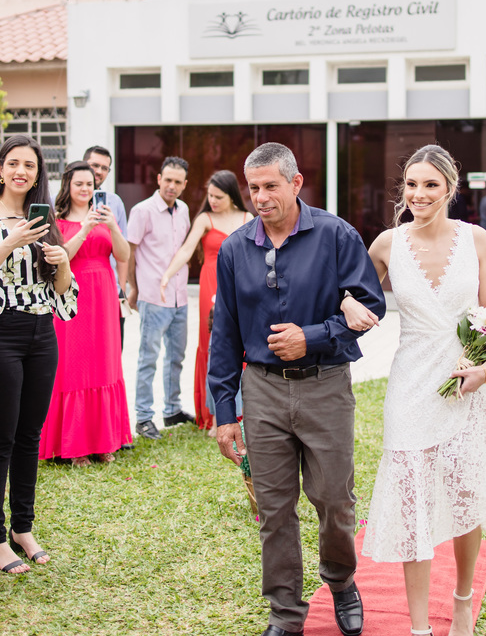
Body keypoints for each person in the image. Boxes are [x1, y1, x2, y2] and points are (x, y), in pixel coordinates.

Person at [209, 142, 385, 636]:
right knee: (274, 508)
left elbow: (371, 307)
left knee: (334, 499)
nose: (261, 197)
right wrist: (225, 412)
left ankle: (342, 582)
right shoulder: (234, 248)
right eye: (254, 187)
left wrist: (310, 337)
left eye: (271, 186)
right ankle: (285, 612)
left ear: (296, 183)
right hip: (260, 391)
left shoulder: (335, 235)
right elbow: (223, 333)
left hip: (326, 386)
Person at [345, 145, 486, 636]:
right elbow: (350, 290)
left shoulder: (478, 239)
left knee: (466, 493)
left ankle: (462, 600)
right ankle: (419, 627)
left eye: (430, 185)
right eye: (411, 184)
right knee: (413, 504)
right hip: (411, 385)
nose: (418, 194)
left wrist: (484, 368)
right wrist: (343, 301)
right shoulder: (386, 244)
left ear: (450, 189)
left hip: (466, 383)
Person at [0, 135, 77, 574]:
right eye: (13, 163)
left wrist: (61, 261)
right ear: (1, 168)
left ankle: (22, 527)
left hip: (41, 332)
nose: (21, 171)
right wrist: (7, 244)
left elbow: (63, 294)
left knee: (30, 436)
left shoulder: (45, 217)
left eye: (29, 164)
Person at [39, 161, 132, 465]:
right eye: (79, 184)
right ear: (67, 185)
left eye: (90, 184)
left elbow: (122, 255)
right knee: (74, 364)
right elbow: (61, 256)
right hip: (72, 294)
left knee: (104, 362)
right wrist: (86, 229)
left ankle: (103, 441)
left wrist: (113, 227)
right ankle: (75, 446)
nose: (85, 189)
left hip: (103, 292)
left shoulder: (105, 216)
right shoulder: (58, 219)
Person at [160, 170, 253, 432]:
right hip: (211, 282)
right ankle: (213, 413)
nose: (212, 200)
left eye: (218, 196)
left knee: (243, 342)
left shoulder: (248, 218)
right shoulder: (205, 218)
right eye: (209, 195)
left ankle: (245, 409)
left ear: (232, 195)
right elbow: (187, 250)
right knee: (212, 346)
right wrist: (168, 275)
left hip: (240, 283)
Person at [126, 156, 194, 440]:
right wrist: (133, 288)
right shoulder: (142, 211)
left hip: (180, 297)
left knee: (176, 356)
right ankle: (143, 417)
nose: (172, 186)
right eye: (167, 180)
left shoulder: (185, 210)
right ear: (158, 179)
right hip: (153, 296)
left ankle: (172, 409)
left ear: (184, 184)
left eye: (178, 182)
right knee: (148, 358)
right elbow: (130, 252)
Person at [81, 146, 130, 347]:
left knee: (111, 347)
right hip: (78, 286)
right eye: (94, 165)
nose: (99, 171)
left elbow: (124, 252)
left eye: (104, 168)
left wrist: (122, 290)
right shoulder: (63, 201)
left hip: (110, 287)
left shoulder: (114, 202)